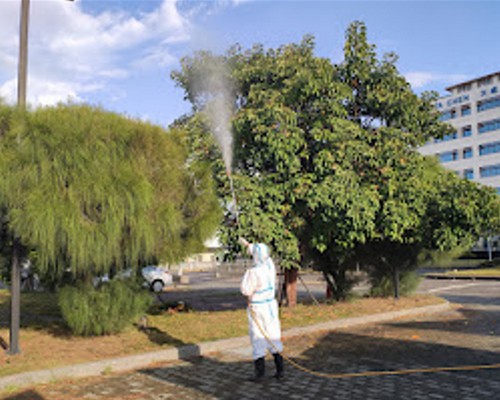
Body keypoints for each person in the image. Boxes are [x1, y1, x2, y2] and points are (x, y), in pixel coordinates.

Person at [239, 238, 284, 381]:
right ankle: (280, 371)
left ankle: (260, 374)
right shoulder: (270, 266)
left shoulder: (253, 272)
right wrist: (247, 244)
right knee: (273, 335)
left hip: (257, 307)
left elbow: (246, 290)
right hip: (271, 306)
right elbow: (260, 251)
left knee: (257, 336)